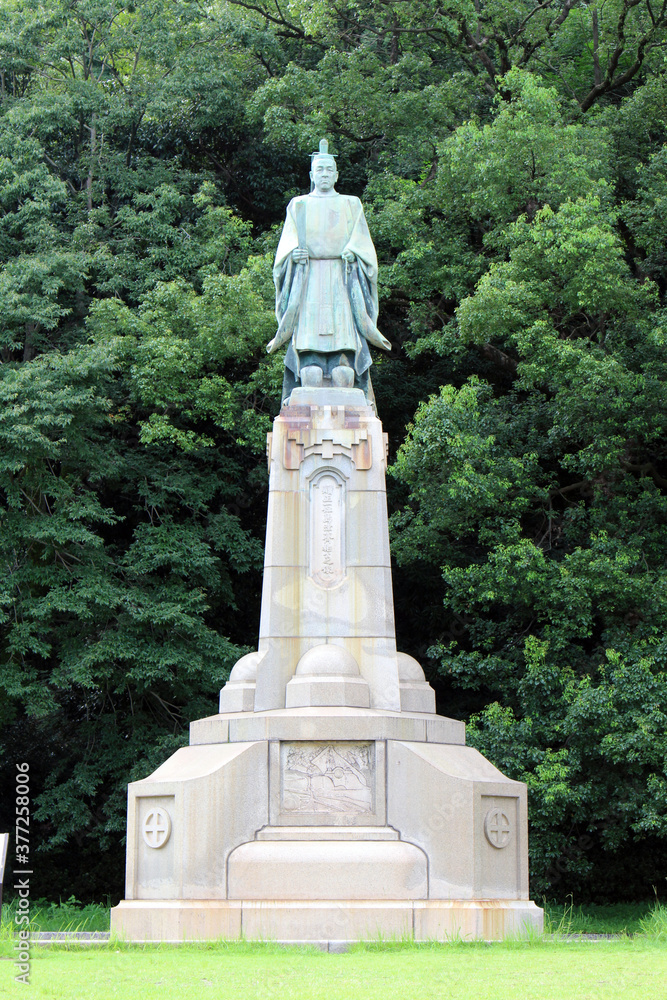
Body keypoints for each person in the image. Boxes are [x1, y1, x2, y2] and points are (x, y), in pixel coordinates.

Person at [267, 139, 391, 403]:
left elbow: (363, 246)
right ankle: (308, 364)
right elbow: (284, 252)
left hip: (340, 279)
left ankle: (343, 364)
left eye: (329, 169)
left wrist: (354, 253)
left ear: (336, 174)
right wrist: (293, 256)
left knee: (343, 371)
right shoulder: (298, 205)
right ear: (311, 175)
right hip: (309, 280)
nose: (324, 174)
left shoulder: (351, 204)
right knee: (310, 371)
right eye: (319, 169)